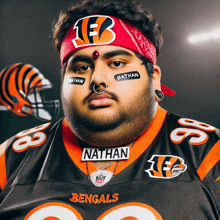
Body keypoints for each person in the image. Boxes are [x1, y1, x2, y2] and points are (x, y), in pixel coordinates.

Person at [0, 0, 219, 219]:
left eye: (116, 63)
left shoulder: (209, 153)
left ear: (154, 79)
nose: (97, 80)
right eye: (82, 67)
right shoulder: (10, 159)